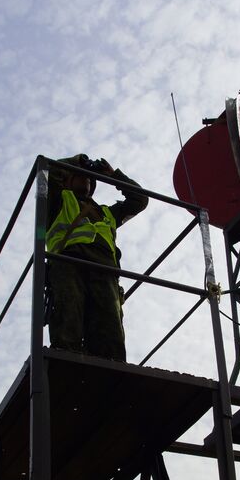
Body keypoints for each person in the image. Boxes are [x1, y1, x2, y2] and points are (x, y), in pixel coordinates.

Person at [45, 154, 148, 361]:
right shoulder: (58, 201)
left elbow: (140, 200)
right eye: (81, 176)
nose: (87, 180)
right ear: (66, 180)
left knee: (110, 334)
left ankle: (110, 374)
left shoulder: (107, 213)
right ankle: (66, 367)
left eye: (91, 179)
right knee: (68, 321)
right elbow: (49, 169)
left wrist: (113, 175)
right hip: (69, 265)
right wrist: (78, 162)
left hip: (105, 273)